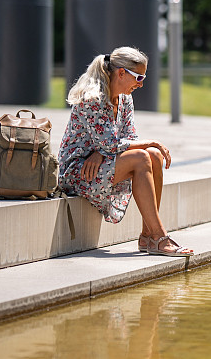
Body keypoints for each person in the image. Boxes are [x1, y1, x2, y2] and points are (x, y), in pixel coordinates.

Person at [58, 46, 193, 257]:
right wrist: (148, 142)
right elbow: (113, 143)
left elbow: (125, 139)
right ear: (121, 73)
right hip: (78, 171)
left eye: (143, 77)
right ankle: (160, 237)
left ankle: (148, 236)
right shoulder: (92, 97)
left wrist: (102, 152)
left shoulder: (125, 98)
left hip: (101, 162)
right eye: (138, 77)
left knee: (154, 156)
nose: (141, 83)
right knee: (142, 156)